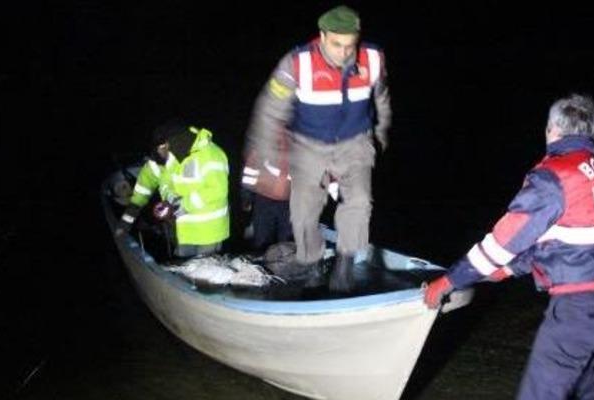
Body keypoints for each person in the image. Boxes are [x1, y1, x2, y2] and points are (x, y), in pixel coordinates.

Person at [424, 94, 594, 400]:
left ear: (551, 130)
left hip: (576, 312)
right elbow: (566, 245)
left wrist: (447, 281)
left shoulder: (553, 176)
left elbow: (500, 243)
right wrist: (501, 273)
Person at [245, 4, 391, 291]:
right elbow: (269, 110)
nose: (344, 52)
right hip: (309, 145)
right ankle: (311, 262)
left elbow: (382, 95)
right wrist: (266, 154)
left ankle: (345, 263)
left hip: (355, 141)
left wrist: (382, 129)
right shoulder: (296, 64)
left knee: (359, 201)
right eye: (336, 45)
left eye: (350, 45)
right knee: (302, 211)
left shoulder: (373, 58)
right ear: (322, 36)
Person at [115, 122, 230, 258]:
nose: (160, 152)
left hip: (209, 232)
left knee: (206, 272)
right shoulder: (162, 159)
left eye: (162, 147)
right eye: (158, 148)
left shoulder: (211, 155)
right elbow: (143, 188)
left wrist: (182, 205)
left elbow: (218, 191)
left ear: (172, 143)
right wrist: (127, 219)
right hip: (183, 232)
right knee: (183, 268)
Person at [240, 127, 293, 252]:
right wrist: (246, 196)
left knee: (286, 242)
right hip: (264, 199)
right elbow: (250, 171)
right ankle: (260, 267)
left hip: (290, 203)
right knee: (261, 240)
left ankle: (283, 267)